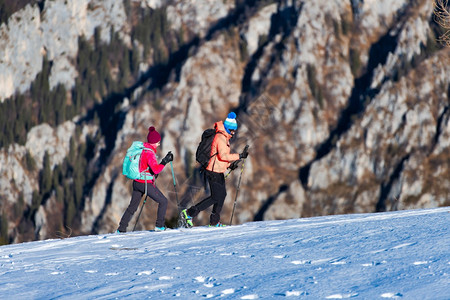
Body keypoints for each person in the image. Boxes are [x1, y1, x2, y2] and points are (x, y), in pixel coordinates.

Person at [181, 112, 249, 227]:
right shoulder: (220, 138)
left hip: (218, 171)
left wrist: (229, 166)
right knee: (215, 196)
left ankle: (214, 221)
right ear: (227, 129)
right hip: (213, 172)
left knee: (222, 195)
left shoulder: (224, 137)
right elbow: (223, 156)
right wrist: (239, 156)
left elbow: (217, 157)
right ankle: (189, 213)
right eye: (232, 130)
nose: (234, 133)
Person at [117, 126, 173, 232]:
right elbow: (156, 170)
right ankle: (160, 226)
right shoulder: (150, 153)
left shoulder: (142, 149)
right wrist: (165, 161)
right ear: (153, 142)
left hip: (137, 182)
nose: (159, 144)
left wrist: (151, 173)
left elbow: (145, 167)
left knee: (132, 207)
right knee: (163, 202)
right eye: (158, 142)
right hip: (145, 184)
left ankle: (121, 228)